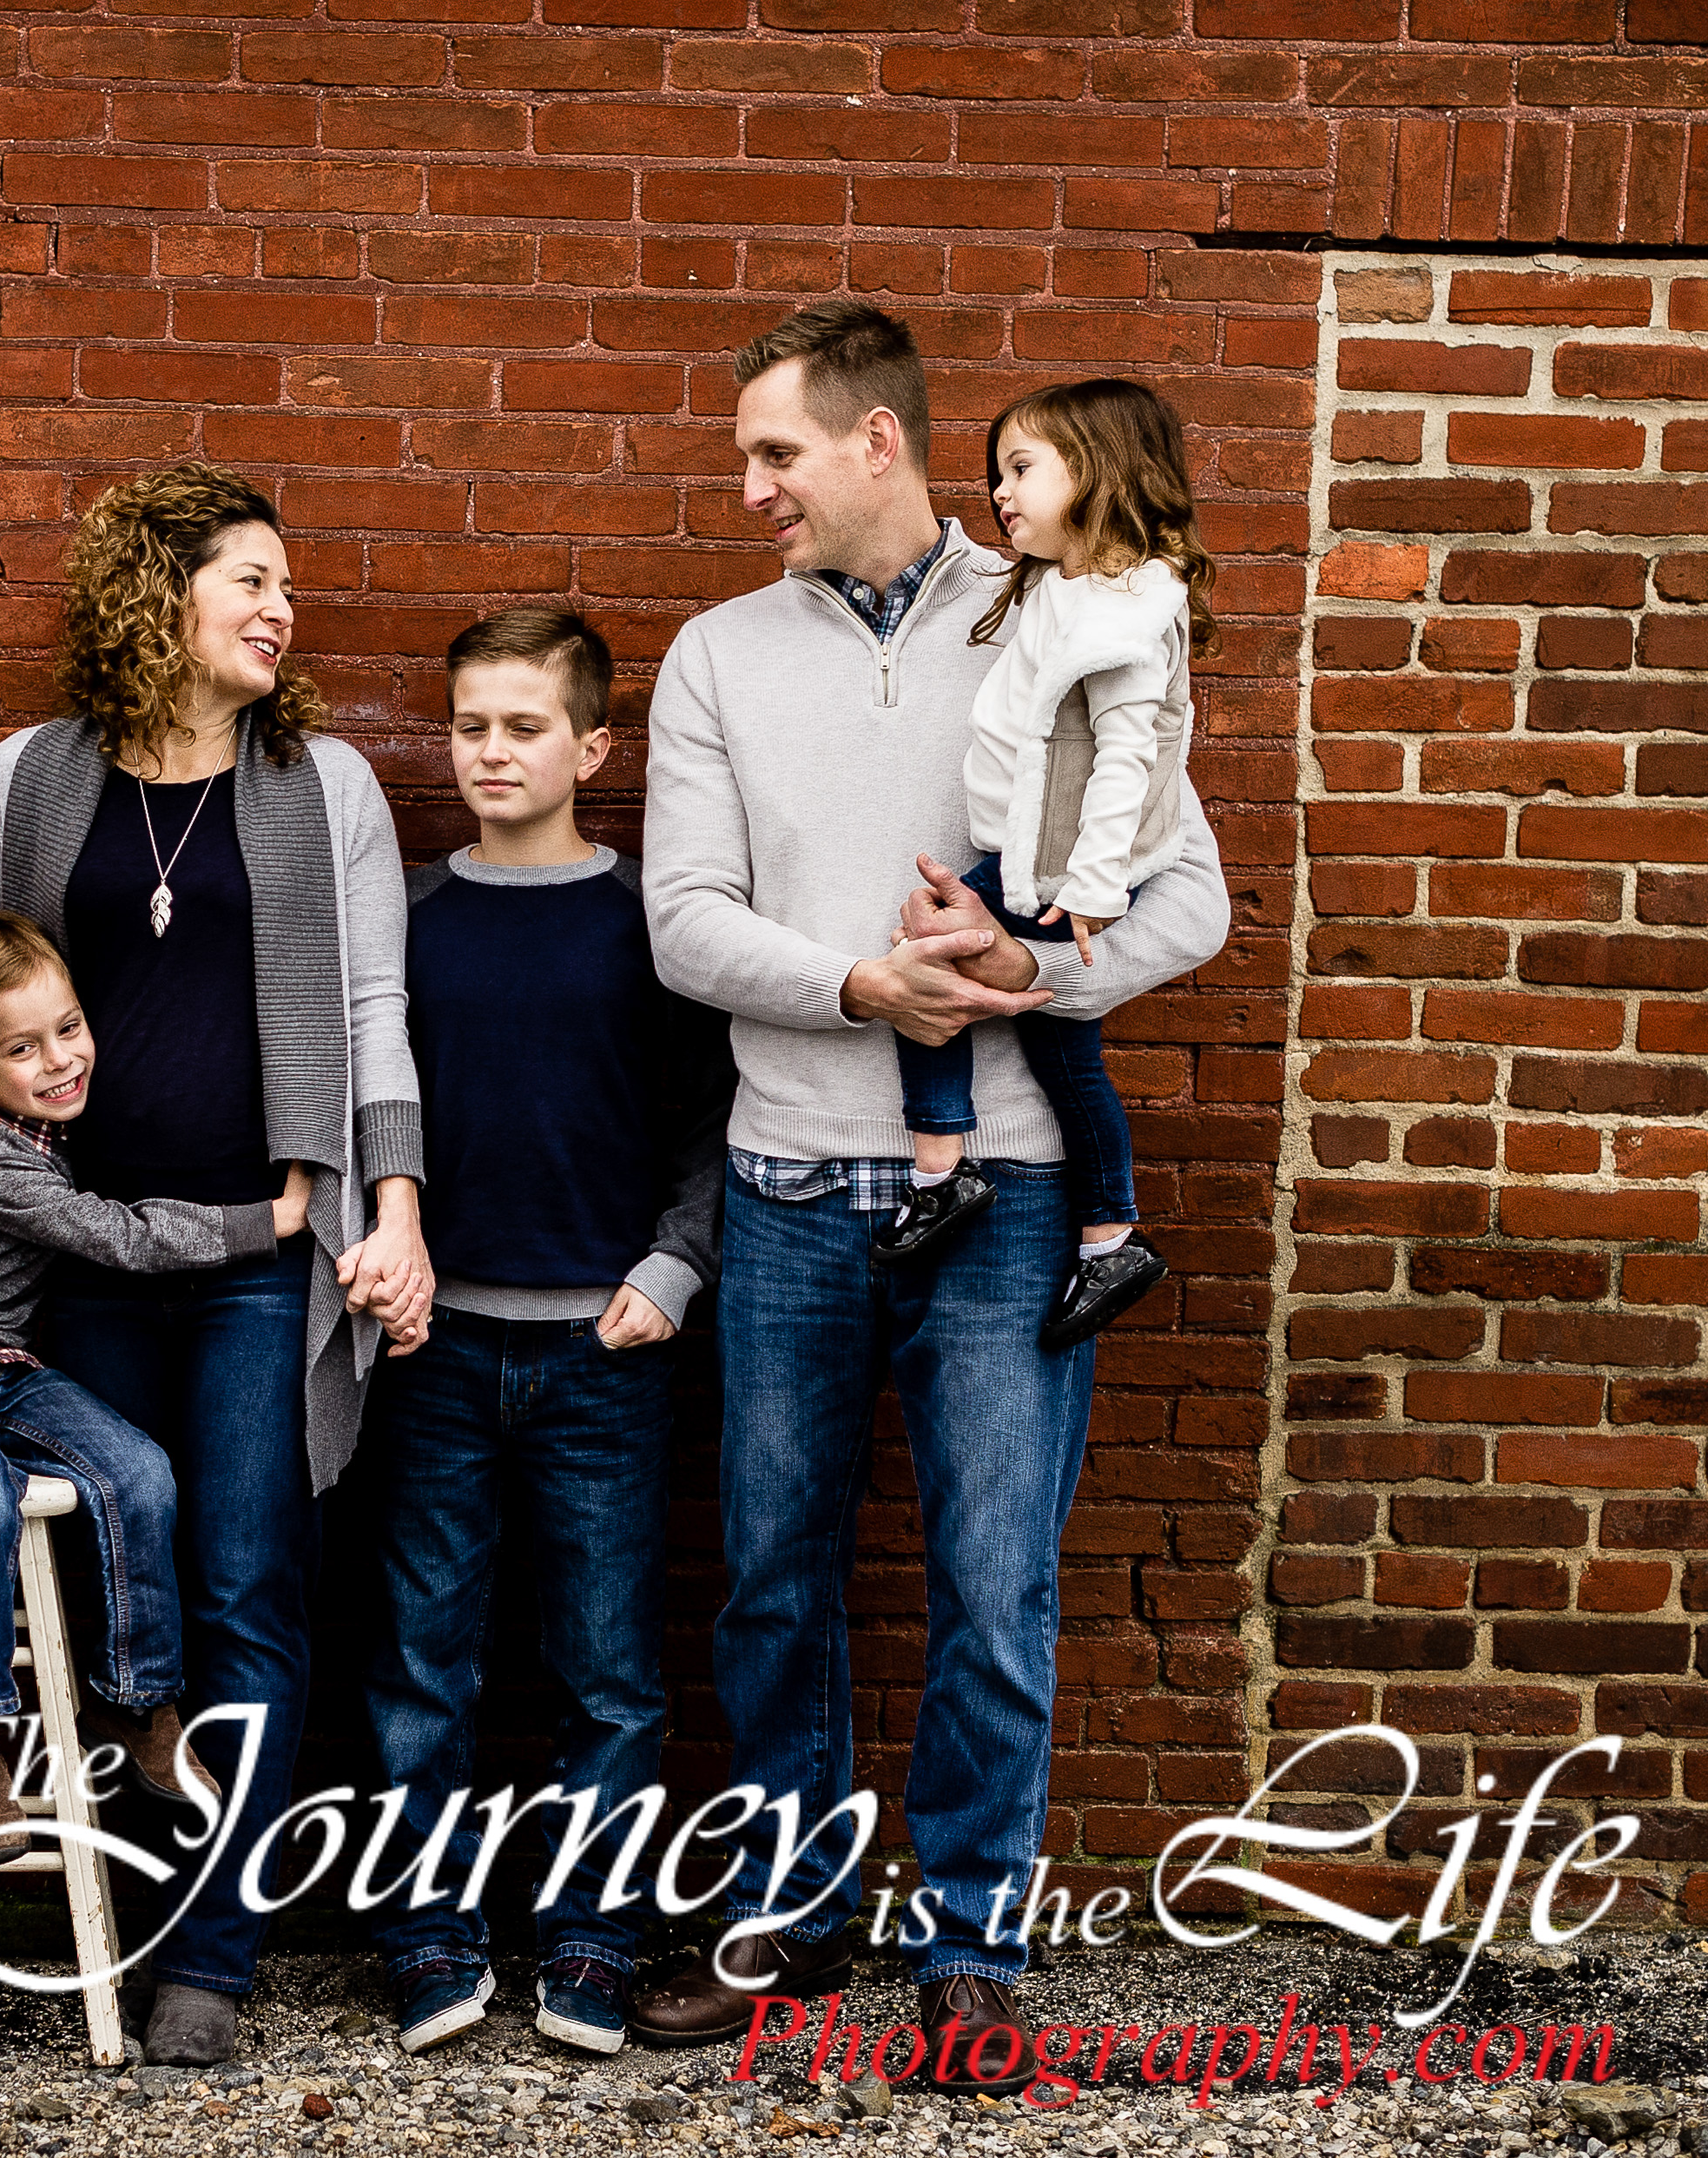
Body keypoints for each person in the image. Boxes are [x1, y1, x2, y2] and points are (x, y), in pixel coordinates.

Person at [636, 301, 1232, 2091]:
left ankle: (969, 1943)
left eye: (775, 454)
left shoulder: (1066, 613)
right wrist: (860, 989)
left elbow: (1186, 899)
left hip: (1016, 1198)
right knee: (769, 1578)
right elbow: (681, 922)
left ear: (874, 441)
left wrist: (1024, 973)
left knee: (991, 1583)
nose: (751, 488)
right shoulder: (716, 654)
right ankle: (793, 1906)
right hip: (783, 1185)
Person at [0, 461, 430, 2067]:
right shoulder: (37, 776)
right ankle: (112, 1917)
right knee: (100, 1575)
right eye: (249, 578)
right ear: (155, 592)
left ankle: (213, 1952)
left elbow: (374, 1011)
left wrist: (391, 1206)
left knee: (250, 1584)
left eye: (284, 582)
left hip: (265, 1249)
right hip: (69, 1260)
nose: (281, 606)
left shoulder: (322, 784)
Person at [359, 608, 730, 2060]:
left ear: (592, 746)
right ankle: (425, 1929)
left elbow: (716, 1117)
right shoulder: (406, 916)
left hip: (604, 1351)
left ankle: (592, 1935)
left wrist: (674, 1265)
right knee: (419, 1662)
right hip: (431, 1349)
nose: (490, 752)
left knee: (606, 1672)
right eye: (469, 726)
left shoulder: (649, 922)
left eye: (523, 726)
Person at [0, 911, 303, 1858]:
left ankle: (136, 1699)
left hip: (6, 1367)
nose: (60, 1059)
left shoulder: (32, 1128)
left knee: (139, 1471)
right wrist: (268, 1219)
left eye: (68, 1028)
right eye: (22, 1048)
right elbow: (119, 1236)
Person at [873, 379, 1216, 1354]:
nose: (1000, 492)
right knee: (1067, 1053)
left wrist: (1094, 891)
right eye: (997, 473)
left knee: (922, 960)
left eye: (1022, 468)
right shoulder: (1072, 590)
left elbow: (1127, 762)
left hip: (1063, 869)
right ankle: (1109, 1236)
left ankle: (942, 1169)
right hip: (1038, 852)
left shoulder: (1124, 618)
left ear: (1098, 473)